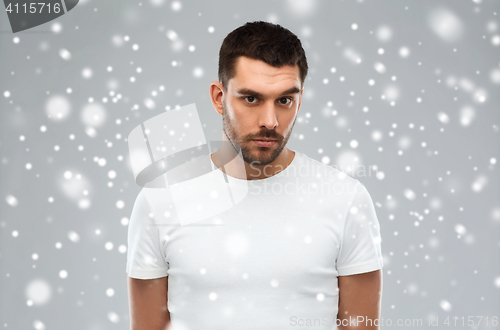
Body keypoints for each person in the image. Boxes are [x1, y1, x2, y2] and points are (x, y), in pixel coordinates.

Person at [127, 21, 383, 330]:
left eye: (284, 100)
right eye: (251, 99)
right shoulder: (160, 199)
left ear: (299, 100)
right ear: (219, 98)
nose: (270, 120)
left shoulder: (345, 199)